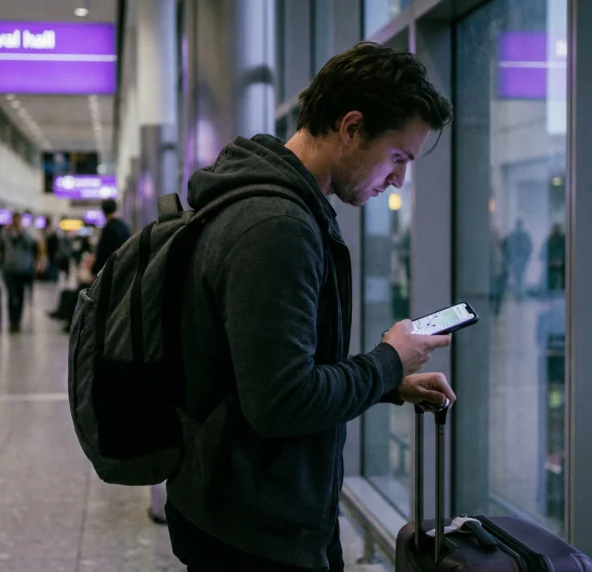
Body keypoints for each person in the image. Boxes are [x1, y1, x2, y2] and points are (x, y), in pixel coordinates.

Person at [165, 42, 456, 572]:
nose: (398, 180)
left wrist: (389, 384)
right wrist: (388, 360)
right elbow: (281, 403)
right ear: (351, 127)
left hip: (237, 506)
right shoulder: (276, 226)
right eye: (397, 157)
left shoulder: (270, 201)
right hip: (257, 532)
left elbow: (265, 369)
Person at [0, 212, 36, 332]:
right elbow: (0, 249)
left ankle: (17, 321)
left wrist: (22, 232)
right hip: (9, 270)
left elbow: (32, 243)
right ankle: (11, 320)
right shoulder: (5, 234)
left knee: (20, 296)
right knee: (11, 296)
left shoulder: (26, 233)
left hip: (23, 270)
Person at [91, 199, 130, 276]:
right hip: (124, 267)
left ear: (103, 212)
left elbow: (102, 252)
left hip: (111, 270)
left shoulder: (108, 228)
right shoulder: (124, 227)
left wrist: (95, 269)